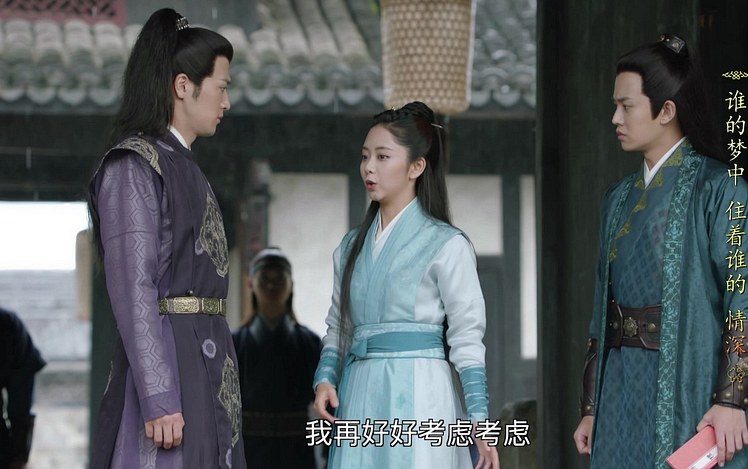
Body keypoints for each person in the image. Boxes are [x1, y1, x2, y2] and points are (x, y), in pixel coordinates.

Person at [572, 35, 748, 469]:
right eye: (615, 105)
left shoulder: (722, 191)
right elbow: (600, 311)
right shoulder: (616, 200)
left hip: (691, 387)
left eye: (626, 106)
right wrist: (591, 406)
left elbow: (747, 300)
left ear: (666, 111)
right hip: (620, 391)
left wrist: (731, 398)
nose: (615, 117)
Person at [87, 8, 245, 468]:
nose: (226, 102)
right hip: (171, 365)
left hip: (207, 358)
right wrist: (158, 396)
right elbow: (134, 284)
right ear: (182, 85)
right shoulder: (134, 165)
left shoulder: (185, 164)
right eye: (221, 87)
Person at [312, 102, 500, 469]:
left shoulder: (446, 244)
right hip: (360, 388)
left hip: (422, 391)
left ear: (417, 166)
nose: (369, 167)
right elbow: (339, 325)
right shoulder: (350, 247)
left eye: (383, 157)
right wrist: (325, 378)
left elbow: (466, 336)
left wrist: (479, 417)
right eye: (365, 156)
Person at [233, 247, 322, 468]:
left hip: (297, 451)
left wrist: (329, 454)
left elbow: (327, 405)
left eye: (279, 279)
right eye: (265, 278)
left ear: (291, 284)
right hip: (249, 451)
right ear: (251, 283)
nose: (272, 286)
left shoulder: (310, 343)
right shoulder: (234, 343)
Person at [0, 307, 46, 469]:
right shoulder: (6, 324)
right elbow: (21, 402)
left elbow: (21, 402)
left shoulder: (6, 325)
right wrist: (19, 455)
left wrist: (19, 455)